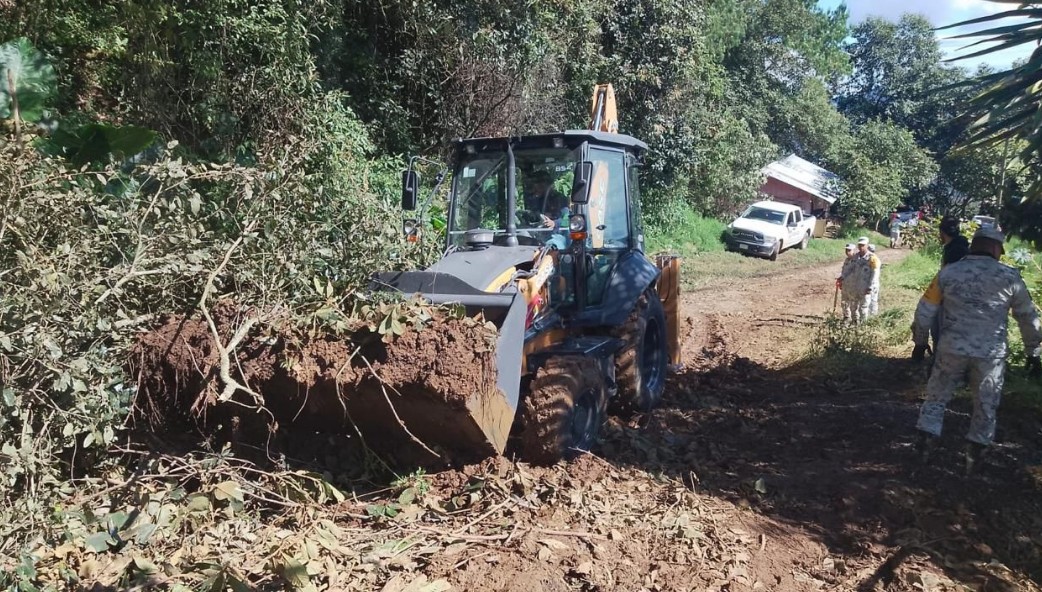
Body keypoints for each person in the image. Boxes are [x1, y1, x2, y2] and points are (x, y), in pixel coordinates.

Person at [911, 227, 1042, 473]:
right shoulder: (1010, 277)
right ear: (995, 248)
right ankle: (974, 458)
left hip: (951, 349)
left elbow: (925, 311)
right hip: (990, 355)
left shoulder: (948, 273)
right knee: (985, 404)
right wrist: (1033, 353)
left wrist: (920, 343)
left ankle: (924, 447)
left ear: (974, 246)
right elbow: (1027, 317)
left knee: (937, 397)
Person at [855, 237, 880, 320]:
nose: (861, 247)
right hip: (860, 285)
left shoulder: (872, 258)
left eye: (863, 245)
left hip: (870, 285)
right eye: (859, 245)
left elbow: (875, 274)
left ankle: (870, 322)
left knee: (870, 304)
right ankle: (862, 321)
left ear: (867, 246)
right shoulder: (857, 256)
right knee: (861, 305)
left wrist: (870, 286)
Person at [836, 243, 861, 323]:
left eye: (849, 250)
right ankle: (846, 317)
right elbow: (844, 271)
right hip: (845, 285)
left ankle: (855, 319)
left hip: (854, 286)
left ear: (854, 250)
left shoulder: (858, 261)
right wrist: (841, 279)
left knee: (854, 303)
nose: (847, 252)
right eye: (846, 250)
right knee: (844, 302)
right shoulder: (847, 260)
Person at [868, 244, 881, 315]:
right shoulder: (870, 259)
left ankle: (873, 316)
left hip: (873, 284)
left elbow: (874, 274)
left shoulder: (874, 259)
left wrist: (870, 285)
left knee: (872, 300)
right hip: (870, 283)